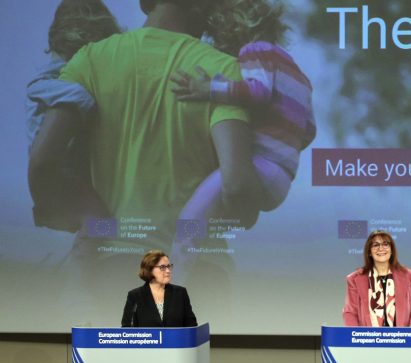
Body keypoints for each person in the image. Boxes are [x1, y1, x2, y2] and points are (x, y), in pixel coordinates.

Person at [28, 0, 263, 255]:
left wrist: (71, 216)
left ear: (145, 3)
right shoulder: (223, 72)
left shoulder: (89, 59)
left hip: (111, 265)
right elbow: (237, 187)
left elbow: (42, 162)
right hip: (198, 270)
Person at [169, 0, 316, 224]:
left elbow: (259, 92)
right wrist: (282, 142)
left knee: (188, 221)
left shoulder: (254, 50)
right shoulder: (299, 75)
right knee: (218, 218)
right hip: (282, 181)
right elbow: (309, 131)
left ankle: (178, 258)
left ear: (232, 28)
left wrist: (209, 89)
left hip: (259, 167)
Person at [26, 0, 121, 232]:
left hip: (69, 172)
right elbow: (73, 95)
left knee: (99, 230)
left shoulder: (57, 76)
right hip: (64, 174)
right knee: (103, 229)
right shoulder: (51, 80)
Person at [343, 230, 411, 327]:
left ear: (391, 249)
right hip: (367, 339)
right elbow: (350, 312)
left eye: (385, 244)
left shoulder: (408, 275)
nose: (381, 248)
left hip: (401, 338)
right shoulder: (354, 279)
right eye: (375, 245)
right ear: (369, 252)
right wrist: (355, 335)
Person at [122, 250, 197, 327]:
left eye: (169, 266)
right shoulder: (135, 296)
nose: (168, 271)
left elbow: (191, 325)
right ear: (149, 270)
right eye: (162, 267)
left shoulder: (180, 293)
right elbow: (127, 328)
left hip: (175, 339)